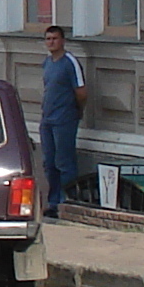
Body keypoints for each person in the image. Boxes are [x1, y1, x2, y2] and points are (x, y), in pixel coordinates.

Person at [39, 25, 86, 218]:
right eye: (48, 39)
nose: (51, 42)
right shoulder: (47, 62)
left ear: (63, 41)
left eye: (55, 39)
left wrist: (77, 111)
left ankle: (68, 202)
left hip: (65, 119)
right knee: (49, 163)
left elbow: (81, 92)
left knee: (64, 161)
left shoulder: (70, 62)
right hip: (47, 119)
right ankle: (53, 202)